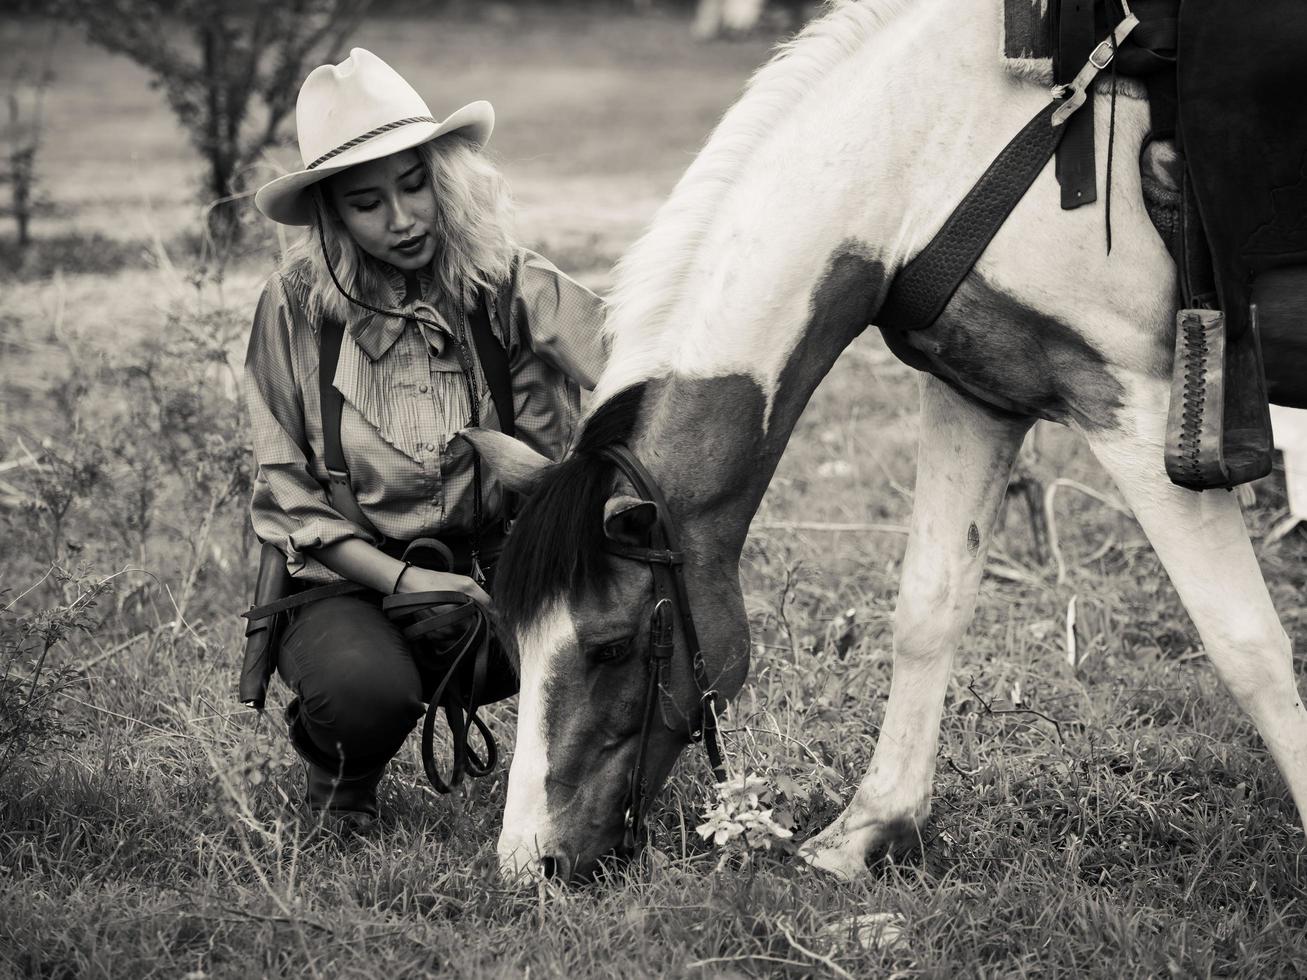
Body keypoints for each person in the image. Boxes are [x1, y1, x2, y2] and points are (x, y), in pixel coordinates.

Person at [246, 48, 606, 830]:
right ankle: (341, 782)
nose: (402, 219)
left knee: (604, 635)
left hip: (489, 559)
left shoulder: (504, 280)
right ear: (332, 214)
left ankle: (587, 789)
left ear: (443, 177)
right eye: (367, 202)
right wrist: (409, 585)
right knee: (363, 690)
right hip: (346, 577)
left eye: (414, 185)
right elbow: (288, 494)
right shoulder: (294, 308)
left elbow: (634, 354)